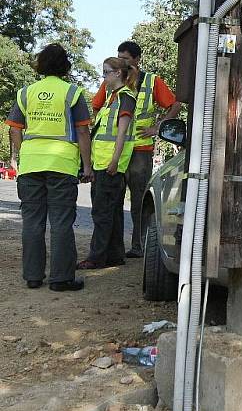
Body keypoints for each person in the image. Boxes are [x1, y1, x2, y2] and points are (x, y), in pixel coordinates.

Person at [4, 43, 93, 291]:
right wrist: (87, 165)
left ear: (41, 65)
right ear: (65, 67)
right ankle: (61, 279)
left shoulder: (26, 92)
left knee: (32, 221)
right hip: (62, 164)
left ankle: (33, 277)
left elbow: (14, 129)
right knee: (61, 221)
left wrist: (25, 154)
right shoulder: (72, 93)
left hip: (32, 164)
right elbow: (83, 131)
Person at [92, 41, 179, 258]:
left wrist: (158, 128)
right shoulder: (111, 82)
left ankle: (138, 245)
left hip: (140, 149)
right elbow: (96, 107)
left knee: (139, 199)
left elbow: (175, 105)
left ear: (137, 59)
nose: (121, 61)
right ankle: (115, 249)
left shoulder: (151, 81)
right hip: (118, 151)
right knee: (114, 198)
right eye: (119, 57)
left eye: (126, 58)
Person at [78, 57, 138, 270]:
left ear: (118, 74)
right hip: (105, 163)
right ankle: (114, 255)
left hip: (109, 165)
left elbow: (122, 132)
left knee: (102, 213)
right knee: (112, 212)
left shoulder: (124, 98)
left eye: (106, 72)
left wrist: (114, 160)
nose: (103, 77)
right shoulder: (113, 98)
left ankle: (96, 257)